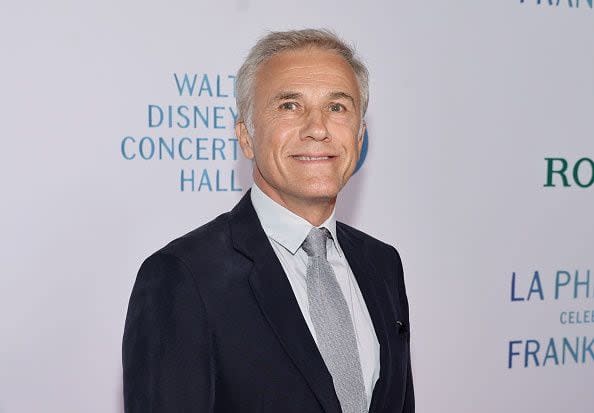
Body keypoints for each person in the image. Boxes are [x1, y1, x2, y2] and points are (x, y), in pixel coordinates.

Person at [122, 28, 414, 413]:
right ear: (245, 136)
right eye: (289, 106)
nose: (318, 127)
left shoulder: (382, 265)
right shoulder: (182, 277)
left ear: (359, 136)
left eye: (337, 107)